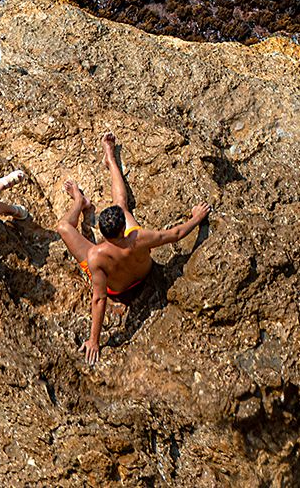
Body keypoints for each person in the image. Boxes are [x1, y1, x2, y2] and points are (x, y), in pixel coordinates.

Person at [55, 132, 209, 364]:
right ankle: (109, 160)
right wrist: (197, 218)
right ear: (121, 230)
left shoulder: (95, 255)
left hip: (119, 291)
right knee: (121, 205)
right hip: (143, 275)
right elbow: (176, 234)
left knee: (64, 227)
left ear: (103, 234)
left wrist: (94, 340)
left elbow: (99, 299)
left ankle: (79, 201)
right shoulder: (139, 237)